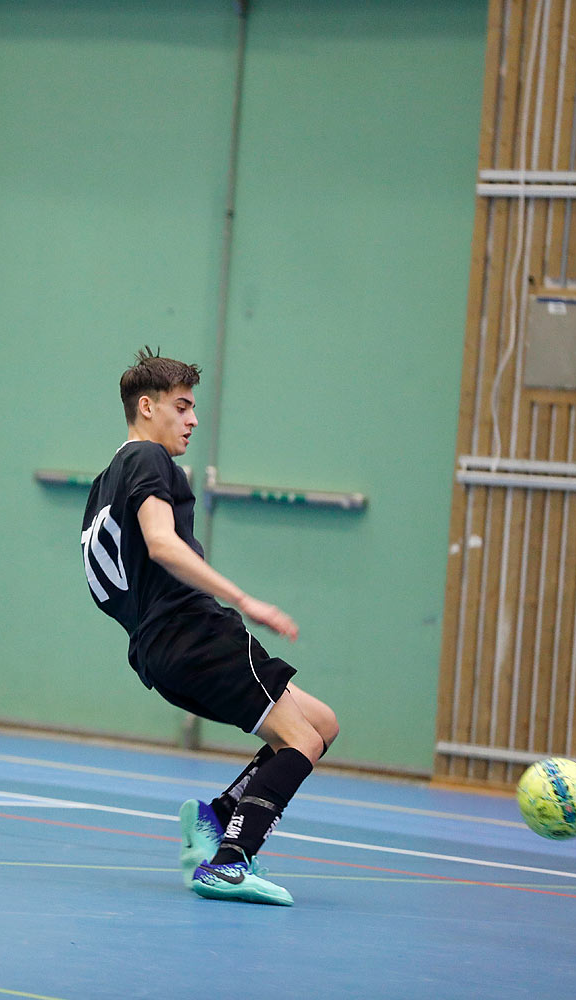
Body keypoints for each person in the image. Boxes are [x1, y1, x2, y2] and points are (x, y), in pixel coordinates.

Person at [81, 348, 338, 906]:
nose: (193, 419)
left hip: (156, 648)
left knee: (323, 723)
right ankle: (229, 863)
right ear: (146, 408)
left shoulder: (103, 483)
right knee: (302, 739)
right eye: (182, 406)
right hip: (193, 632)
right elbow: (161, 542)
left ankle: (215, 817)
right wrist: (244, 599)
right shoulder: (149, 458)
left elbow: (106, 583)